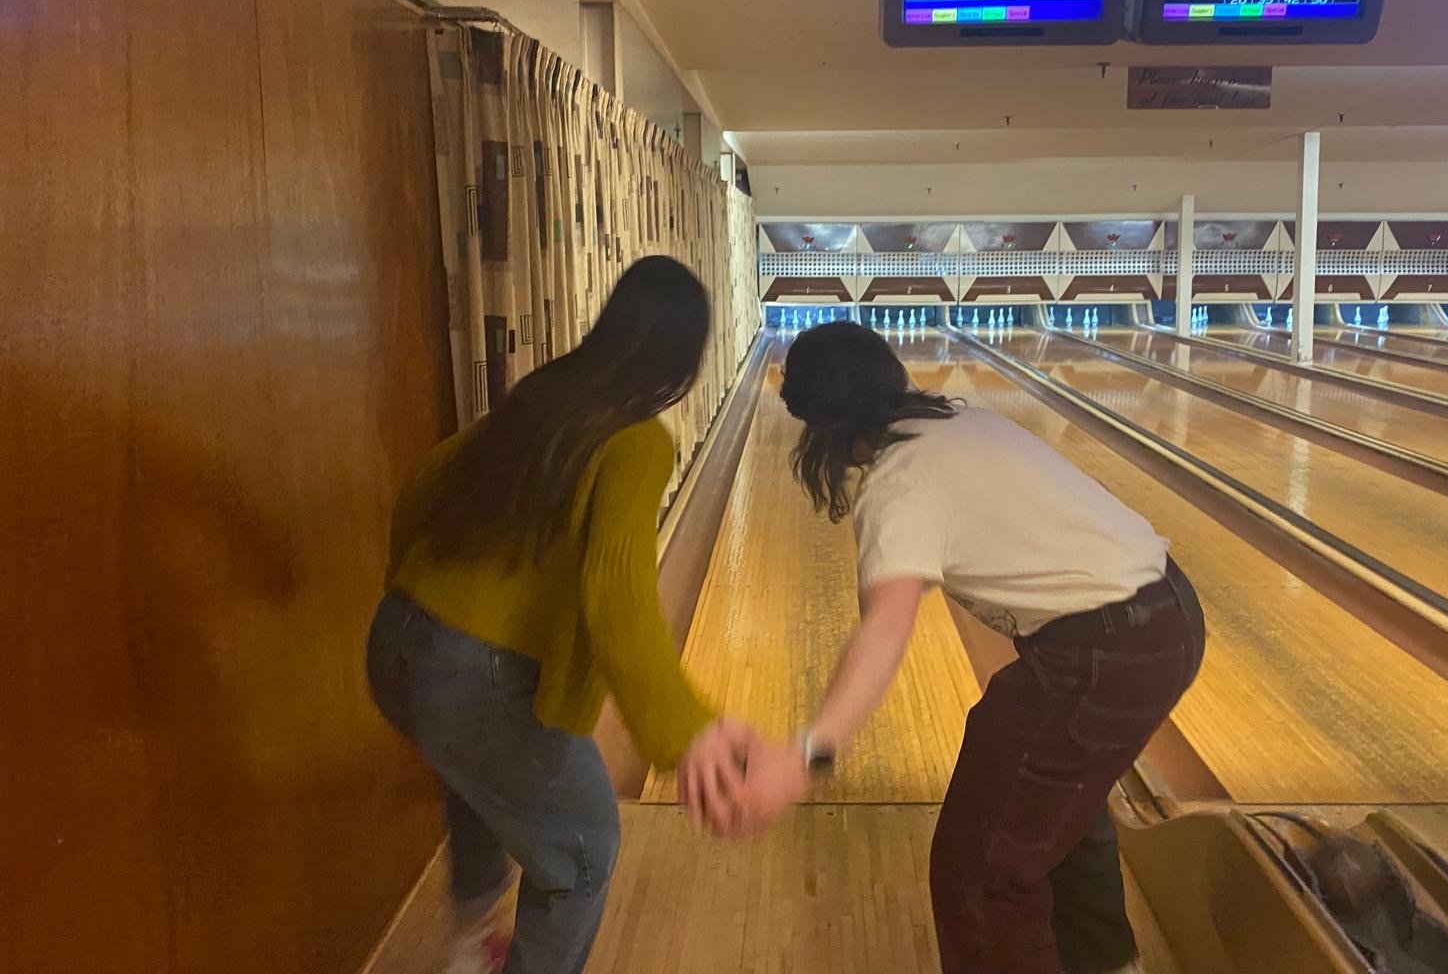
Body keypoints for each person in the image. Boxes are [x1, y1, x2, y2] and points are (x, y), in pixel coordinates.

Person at [735, 321, 1207, 974]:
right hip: (1172, 618)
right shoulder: (963, 422)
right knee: (1055, 818)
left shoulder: (899, 482)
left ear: (820, 424)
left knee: (981, 870)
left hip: (1106, 653)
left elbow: (886, 629)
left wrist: (809, 752)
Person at [365, 256, 758, 974]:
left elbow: (421, 487)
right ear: (683, 357)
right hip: (472, 679)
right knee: (584, 851)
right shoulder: (637, 441)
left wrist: (415, 606)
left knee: (479, 784)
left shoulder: (540, 400)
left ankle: (467, 947)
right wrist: (684, 731)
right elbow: (619, 595)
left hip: (396, 643)